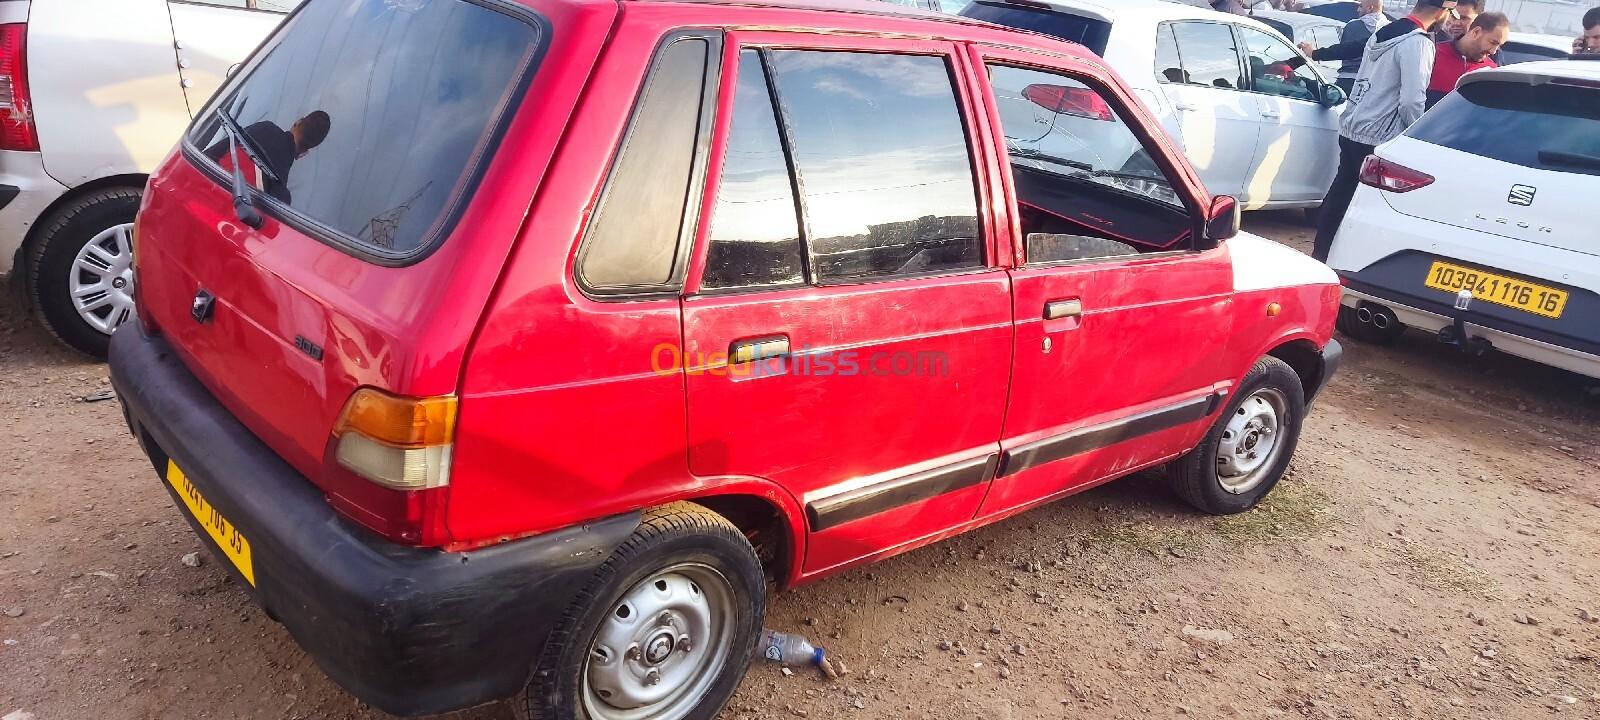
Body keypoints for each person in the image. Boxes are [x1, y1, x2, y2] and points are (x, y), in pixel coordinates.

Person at [1312, 0, 1457, 263]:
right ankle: (1347, 262)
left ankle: (1320, 255)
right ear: (1441, 12)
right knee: (1369, 206)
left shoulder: (1381, 32)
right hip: (1382, 134)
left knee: (1340, 195)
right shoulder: (1419, 42)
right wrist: (1415, 134)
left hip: (1354, 124)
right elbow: (1413, 99)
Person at [205, 110, 332, 205]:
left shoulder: (264, 128)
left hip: (202, 191)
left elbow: (213, 153)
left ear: (297, 122)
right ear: (304, 154)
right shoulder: (281, 198)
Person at [1297, 0, 1390, 94]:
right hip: (1376, 83)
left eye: (1361, 6)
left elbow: (1345, 50)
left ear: (1370, 8)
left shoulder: (1354, 25)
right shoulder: (1390, 29)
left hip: (1348, 80)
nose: (1358, 10)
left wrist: (1314, 53)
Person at [1426, 12, 1509, 109]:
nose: (1494, 51)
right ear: (1476, 32)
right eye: (1493, 42)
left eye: (1498, 45)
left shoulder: (1490, 71)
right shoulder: (1433, 53)